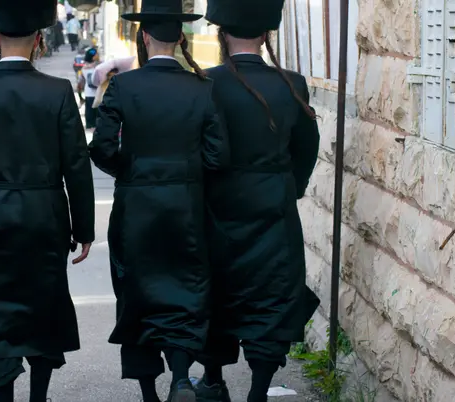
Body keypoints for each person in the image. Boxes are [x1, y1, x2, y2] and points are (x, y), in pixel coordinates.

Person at [0, 1, 96, 401]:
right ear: (39, 41)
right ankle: (39, 397)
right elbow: (76, 166)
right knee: (42, 305)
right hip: (45, 214)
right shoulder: (58, 92)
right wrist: (84, 229)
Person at [88, 0, 228, 401]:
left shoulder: (123, 86)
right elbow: (219, 156)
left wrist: (131, 174)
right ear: (180, 37)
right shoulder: (202, 88)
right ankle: (181, 377)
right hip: (186, 206)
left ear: (144, 36)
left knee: (139, 291)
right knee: (185, 290)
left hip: (137, 208)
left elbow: (100, 147)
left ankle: (149, 392)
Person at [192, 1, 322, 401]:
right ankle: (259, 390)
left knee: (217, 288)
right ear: (266, 35)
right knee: (272, 295)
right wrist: (290, 188)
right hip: (273, 206)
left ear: (221, 34)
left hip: (217, 206)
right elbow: (307, 147)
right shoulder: (292, 84)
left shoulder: (204, 82)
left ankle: (212, 379)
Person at [79, 47, 101, 129]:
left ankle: (90, 126)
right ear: (93, 57)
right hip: (98, 95)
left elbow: (80, 83)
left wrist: (80, 96)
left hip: (88, 94)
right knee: (98, 118)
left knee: (90, 115)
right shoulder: (99, 67)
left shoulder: (83, 68)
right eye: (96, 54)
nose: (98, 55)